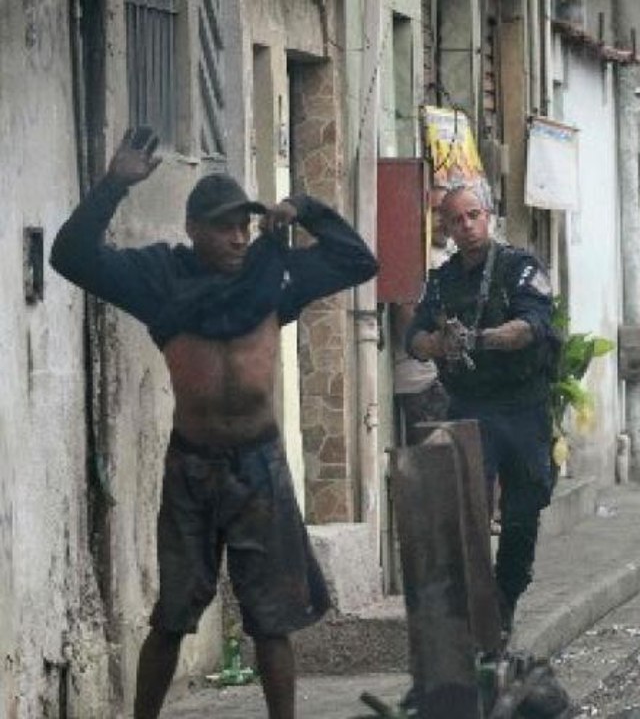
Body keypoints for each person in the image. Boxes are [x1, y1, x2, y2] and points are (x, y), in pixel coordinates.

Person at [50, 127, 378, 719]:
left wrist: (304, 207)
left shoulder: (273, 276)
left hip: (260, 468)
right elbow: (70, 256)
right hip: (192, 469)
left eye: (244, 226)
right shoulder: (160, 279)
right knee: (172, 617)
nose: (238, 237)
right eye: (224, 226)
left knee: (271, 621)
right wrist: (114, 185)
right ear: (193, 229)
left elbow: (359, 260)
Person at [404, 184, 556, 634]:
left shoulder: (519, 267)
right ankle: (476, 610)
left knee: (522, 514)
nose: (467, 226)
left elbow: (531, 326)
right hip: (471, 408)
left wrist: (478, 339)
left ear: (488, 216)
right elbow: (414, 339)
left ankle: (505, 599)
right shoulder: (442, 281)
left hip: (522, 407)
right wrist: (439, 344)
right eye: (457, 219)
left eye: (474, 215)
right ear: (447, 228)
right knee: (466, 513)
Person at [391, 185, 455, 442]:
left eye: (446, 212)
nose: (441, 220)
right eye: (434, 211)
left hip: (447, 380)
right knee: (434, 459)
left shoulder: (448, 257)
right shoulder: (414, 257)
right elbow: (406, 319)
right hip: (423, 381)